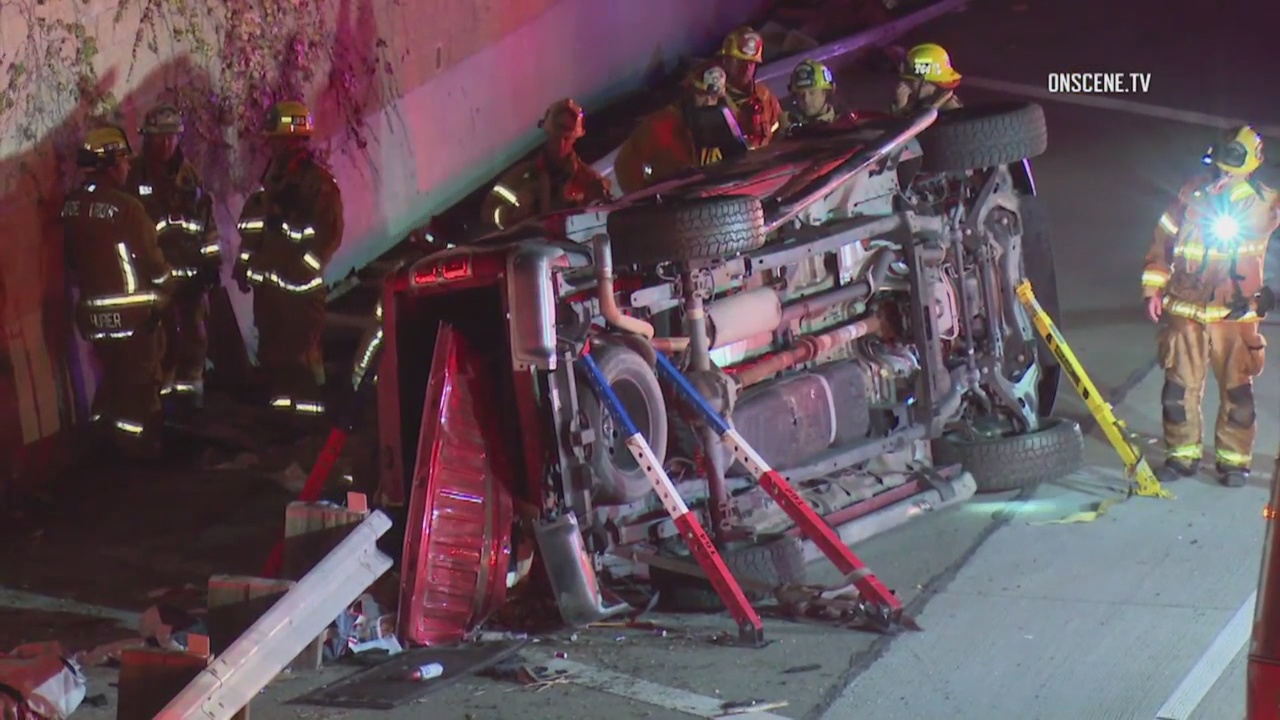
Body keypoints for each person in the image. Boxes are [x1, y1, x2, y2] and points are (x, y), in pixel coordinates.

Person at [1142, 125, 1280, 487]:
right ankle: (1181, 455)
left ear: (1253, 164)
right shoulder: (1190, 194)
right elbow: (1162, 242)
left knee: (1237, 392)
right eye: (1222, 161)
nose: (1225, 170)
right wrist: (1153, 289)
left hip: (1234, 317)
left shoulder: (1265, 203)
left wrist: (1271, 291)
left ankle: (1234, 461)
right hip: (1184, 311)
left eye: (1234, 162)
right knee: (1177, 390)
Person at [62, 125, 173, 459]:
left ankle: (104, 438)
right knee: (141, 383)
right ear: (110, 164)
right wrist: (169, 287)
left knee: (110, 379)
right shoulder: (128, 208)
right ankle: (137, 447)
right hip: (133, 315)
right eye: (124, 160)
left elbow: (71, 259)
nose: (127, 167)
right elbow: (153, 263)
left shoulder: (72, 207)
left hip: (93, 316)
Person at [232, 100, 344, 422]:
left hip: (300, 295)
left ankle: (309, 423)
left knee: (301, 360)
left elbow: (328, 236)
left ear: (296, 139)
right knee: (273, 358)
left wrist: (300, 272)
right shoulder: (272, 182)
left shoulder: (317, 184)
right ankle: (283, 419)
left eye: (278, 138)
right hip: (270, 292)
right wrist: (245, 266)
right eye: (271, 138)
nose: (272, 144)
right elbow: (253, 228)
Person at [127, 103, 221, 411]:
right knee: (158, 341)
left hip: (190, 275)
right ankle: (160, 406)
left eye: (171, 137)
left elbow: (207, 223)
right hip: (153, 277)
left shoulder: (189, 177)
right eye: (159, 137)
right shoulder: (134, 176)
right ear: (148, 139)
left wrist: (211, 262)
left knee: (194, 335)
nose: (166, 144)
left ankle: (190, 397)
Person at [481, 98, 612, 230]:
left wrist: (582, 206)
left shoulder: (590, 181)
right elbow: (488, 213)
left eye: (566, 138)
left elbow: (606, 220)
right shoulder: (520, 177)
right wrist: (511, 214)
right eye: (556, 136)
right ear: (548, 132)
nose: (560, 144)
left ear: (575, 138)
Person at [615, 64, 740, 195]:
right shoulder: (661, 123)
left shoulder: (727, 123)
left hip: (715, 204)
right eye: (701, 94)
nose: (707, 102)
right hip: (673, 206)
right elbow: (625, 164)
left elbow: (742, 159)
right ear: (689, 92)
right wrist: (643, 199)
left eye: (713, 97)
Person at [688, 26, 782, 148]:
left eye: (751, 63)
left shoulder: (764, 95)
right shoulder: (711, 97)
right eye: (740, 62)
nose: (746, 68)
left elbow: (779, 131)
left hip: (764, 164)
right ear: (725, 60)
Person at [780, 59, 860, 135]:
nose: (806, 99)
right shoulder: (787, 126)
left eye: (812, 93)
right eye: (800, 94)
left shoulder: (847, 122)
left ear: (826, 93)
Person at [891, 43, 963, 116]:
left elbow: (909, 126)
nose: (905, 84)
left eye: (910, 80)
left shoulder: (949, 113)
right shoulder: (926, 102)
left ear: (925, 82)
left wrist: (900, 109)